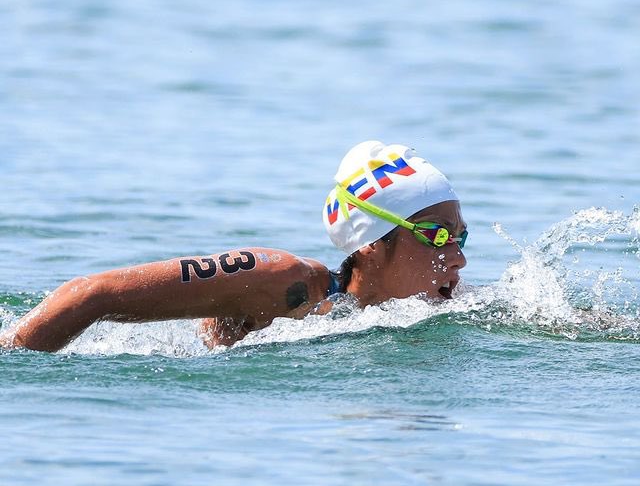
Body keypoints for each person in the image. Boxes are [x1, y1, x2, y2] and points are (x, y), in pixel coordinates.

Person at [0, 141, 467, 352]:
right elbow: (91, 294)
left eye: (460, 237)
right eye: (437, 235)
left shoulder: (437, 312)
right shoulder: (282, 283)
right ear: (371, 245)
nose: (459, 256)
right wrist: (15, 356)